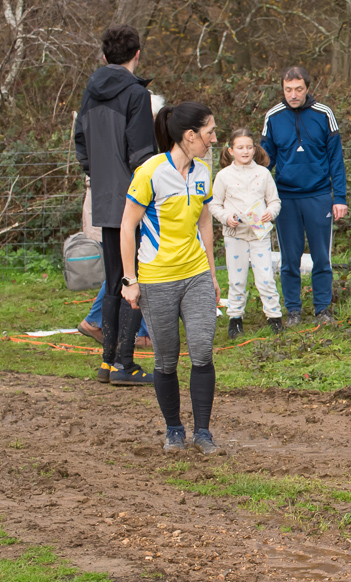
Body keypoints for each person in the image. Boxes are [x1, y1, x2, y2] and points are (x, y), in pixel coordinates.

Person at [120, 101, 222, 454]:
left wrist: (211, 273)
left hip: (196, 275)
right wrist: (130, 280)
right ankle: (174, 429)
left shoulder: (203, 172)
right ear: (190, 135)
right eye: (209, 132)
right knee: (166, 359)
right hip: (157, 278)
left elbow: (205, 223)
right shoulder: (150, 172)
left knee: (202, 351)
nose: (213, 139)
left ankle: (203, 433)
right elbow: (127, 226)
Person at [74, 24, 157, 385]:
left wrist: (98, 174)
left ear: (105, 56)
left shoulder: (90, 92)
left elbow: (80, 141)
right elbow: (142, 153)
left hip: (105, 196)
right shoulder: (137, 94)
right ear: (137, 54)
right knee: (134, 279)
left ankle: (107, 363)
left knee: (114, 280)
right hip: (134, 199)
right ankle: (125, 364)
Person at [78, 92, 166, 349]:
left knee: (126, 269)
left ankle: (124, 328)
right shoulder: (131, 142)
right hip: (118, 211)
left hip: (114, 208)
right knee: (126, 270)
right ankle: (99, 322)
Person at [261, 66, 347, 328]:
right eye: (288, 89)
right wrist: (256, 195)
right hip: (285, 199)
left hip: (319, 196)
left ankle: (322, 309)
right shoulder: (273, 117)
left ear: (308, 88)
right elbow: (265, 162)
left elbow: (336, 159)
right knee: (289, 259)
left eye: (298, 89)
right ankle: (293, 311)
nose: (293, 95)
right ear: (282, 89)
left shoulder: (324, 114)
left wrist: (339, 197)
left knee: (322, 257)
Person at [210, 128, 282, 340]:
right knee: (237, 279)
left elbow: (274, 201)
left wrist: (270, 213)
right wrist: (227, 217)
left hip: (259, 235)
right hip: (235, 235)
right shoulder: (223, 176)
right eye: (240, 147)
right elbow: (214, 205)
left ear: (254, 149)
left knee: (266, 277)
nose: (245, 151)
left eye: (249, 147)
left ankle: (274, 317)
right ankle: (235, 319)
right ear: (231, 150)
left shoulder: (263, 173)